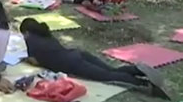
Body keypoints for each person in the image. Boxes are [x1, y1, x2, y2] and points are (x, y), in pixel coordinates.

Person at [20, 18, 150, 87]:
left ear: (26, 32)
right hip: (76, 53)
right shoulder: (44, 33)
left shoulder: (31, 41)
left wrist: (27, 60)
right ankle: (136, 70)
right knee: (111, 69)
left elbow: (36, 60)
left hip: (72, 63)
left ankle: (142, 84)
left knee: (107, 76)